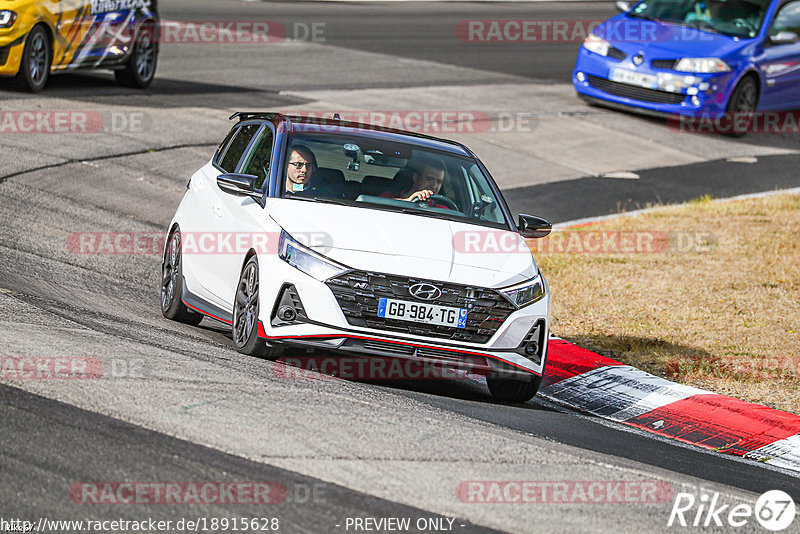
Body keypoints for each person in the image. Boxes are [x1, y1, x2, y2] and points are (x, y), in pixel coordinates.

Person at [380, 157, 448, 206]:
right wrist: (408, 201)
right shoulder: (388, 197)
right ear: (416, 178)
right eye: (430, 179)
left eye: (439, 182)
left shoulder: (442, 210)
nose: (434, 186)